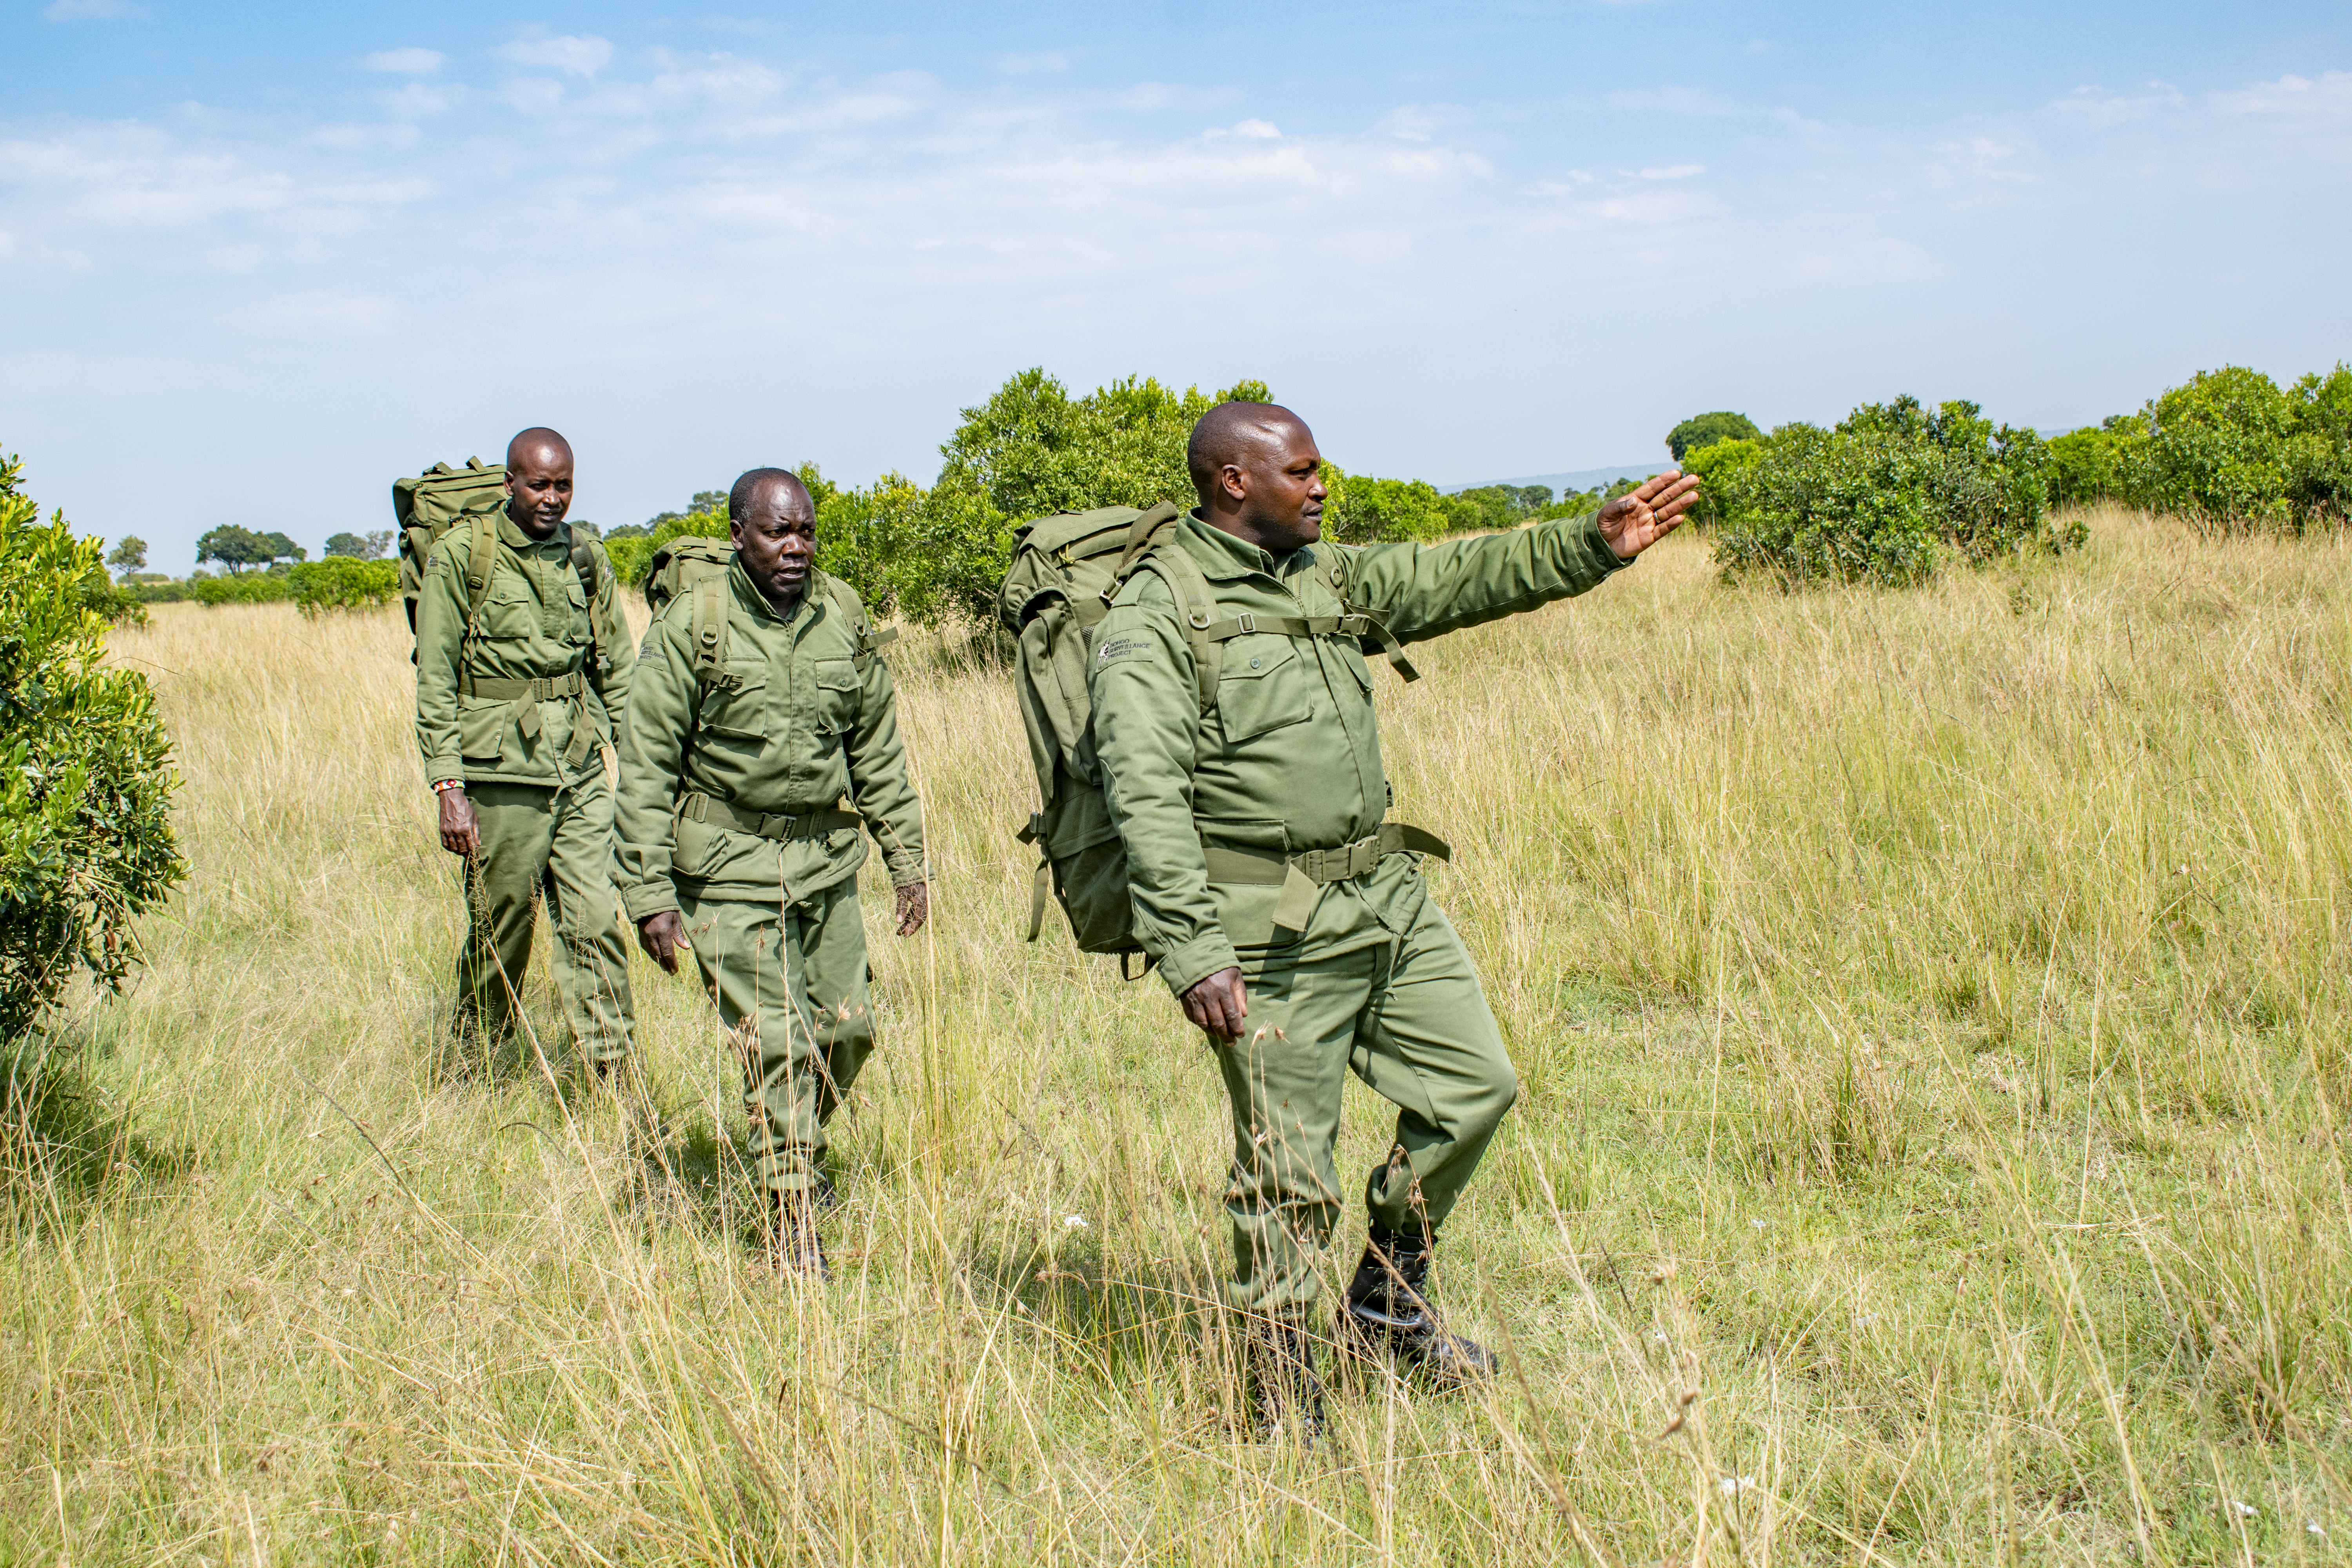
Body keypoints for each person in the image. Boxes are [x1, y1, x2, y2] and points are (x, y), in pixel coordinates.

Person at [1087, 402, 1700, 1436]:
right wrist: (1192, 951)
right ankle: (1280, 1395)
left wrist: (1589, 548)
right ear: (1235, 482)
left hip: (1386, 899)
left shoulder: (1320, 575)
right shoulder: (1157, 617)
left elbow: (1451, 580)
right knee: (1289, 1179)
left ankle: (1384, 1301)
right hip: (1268, 928)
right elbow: (1141, 791)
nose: (1323, 486)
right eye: (1303, 471)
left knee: (1476, 1089)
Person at [615, 468, 929, 1279]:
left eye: (806, 533)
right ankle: (790, 1212)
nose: (795, 549)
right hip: (725, 868)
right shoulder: (695, 625)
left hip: (823, 862)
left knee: (848, 1031)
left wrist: (906, 859)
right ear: (737, 536)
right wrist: (649, 894)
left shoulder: (843, 613)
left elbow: (877, 746)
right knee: (779, 1042)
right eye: (776, 533)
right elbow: (647, 765)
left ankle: (793, 1139)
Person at [416, 426, 636, 1074]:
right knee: (502, 929)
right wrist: (447, 787)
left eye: (562, 485)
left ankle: (611, 1072)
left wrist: (644, 767)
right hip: (499, 771)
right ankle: (475, 1060)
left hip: (579, 765)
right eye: (538, 484)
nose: (551, 498)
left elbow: (617, 671)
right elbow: (434, 678)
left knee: (595, 921)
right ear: (509, 483)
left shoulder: (587, 557)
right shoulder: (464, 557)